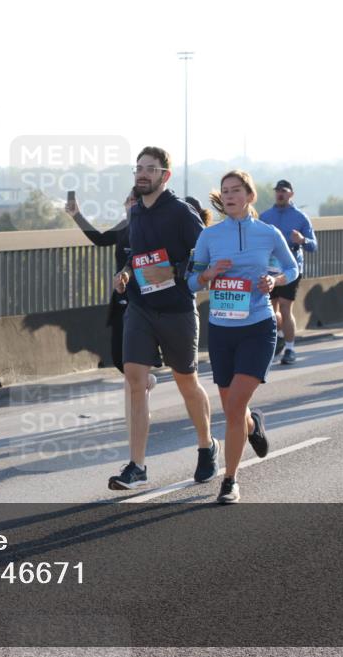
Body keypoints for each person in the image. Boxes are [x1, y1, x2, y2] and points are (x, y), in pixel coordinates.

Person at [187, 170, 298, 504]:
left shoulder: (268, 233)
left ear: (249, 195)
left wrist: (274, 281)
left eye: (236, 190)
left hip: (258, 326)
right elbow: (190, 281)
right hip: (222, 330)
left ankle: (230, 480)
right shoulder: (209, 236)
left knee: (234, 406)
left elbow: (292, 268)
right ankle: (253, 424)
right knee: (234, 410)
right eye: (225, 191)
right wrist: (208, 274)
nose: (230, 196)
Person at [107, 146, 215, 491]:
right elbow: (136, 255)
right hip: (140, 307)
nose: (142, 174)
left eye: (150, 169)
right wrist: (125, 272)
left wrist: (175, 270)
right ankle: (137, 466)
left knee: (186, 382)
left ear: (165, 175)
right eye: (138, 168)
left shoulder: (181, 212)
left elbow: (205, 255)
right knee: (135, 380)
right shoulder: (137, 212)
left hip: (177, 309)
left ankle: (207, 446)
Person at [66, 190, 163, 430]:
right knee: (118, 356)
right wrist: (76, 215)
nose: (128, 205)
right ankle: (145, 382)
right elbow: (100, 239)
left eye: (133, 201)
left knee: (136, 358)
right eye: (127, 201)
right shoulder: (123, 227)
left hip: (144, 299)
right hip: (121, 296)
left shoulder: (153, 229)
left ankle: (139, 410)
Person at [259, 179, 317, 365]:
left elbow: (313, 246)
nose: (280, 194)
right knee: (270, 310)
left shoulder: (300, 217)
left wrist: (302, 240)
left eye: (284, 191)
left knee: (285, 307)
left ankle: (290, 349)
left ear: (291, 194)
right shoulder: (265, 216)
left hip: (290, 269)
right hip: (269, 269)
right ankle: (280, 336)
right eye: (277, 191)